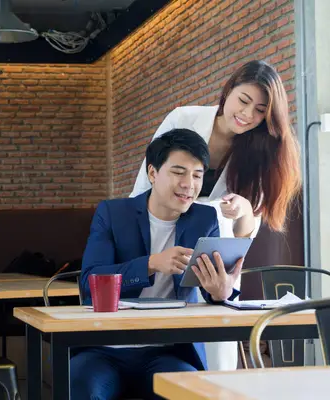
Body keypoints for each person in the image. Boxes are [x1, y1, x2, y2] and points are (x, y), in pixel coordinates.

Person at [129, 60, 302, 370]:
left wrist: (244, 210)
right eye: (244, 101)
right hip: (158, 248)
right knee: (147, 354)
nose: (248, 115)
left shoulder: (260, 150)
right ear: (228, 90)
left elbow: (246, 231)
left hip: (211, 265)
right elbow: (144, 187)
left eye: (261, 110)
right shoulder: (184, 119)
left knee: (210, 366)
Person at [73, 129, 243, 400]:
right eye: (178, 172)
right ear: (153, 173)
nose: (189, 184)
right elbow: (90, 282)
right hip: (103, 350)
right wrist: (151, 264)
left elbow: (212, 292)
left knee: (188, 394)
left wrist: (221, 292)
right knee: (81, 391)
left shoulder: (205, 219)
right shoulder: (113, 213)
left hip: (168, 352)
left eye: (197, 175)